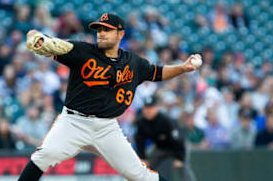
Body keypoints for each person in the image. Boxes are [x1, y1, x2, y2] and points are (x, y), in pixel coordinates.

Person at [19, 13, 202, 181]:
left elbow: (158, 72)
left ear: (120, 34)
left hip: (106, 127)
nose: (101, 33)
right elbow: (41, 39)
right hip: (74, 122)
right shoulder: (82, 51)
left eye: (107, 29)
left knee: (139, 174)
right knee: (44, 156)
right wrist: (35, 37)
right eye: (99, 29)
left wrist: (182, 68)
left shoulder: (133, 62)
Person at [134, 96, 196, 181]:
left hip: (177, 147)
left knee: (183, 167)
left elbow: (177, 140)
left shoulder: (165, 120)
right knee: (145, 165)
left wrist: (179, 158)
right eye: (146, 107)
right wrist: (143, 157)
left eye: (151, 108)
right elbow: (139, 140)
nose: (148, 110)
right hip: (160, 147)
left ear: (156, 108)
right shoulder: (141, 121)